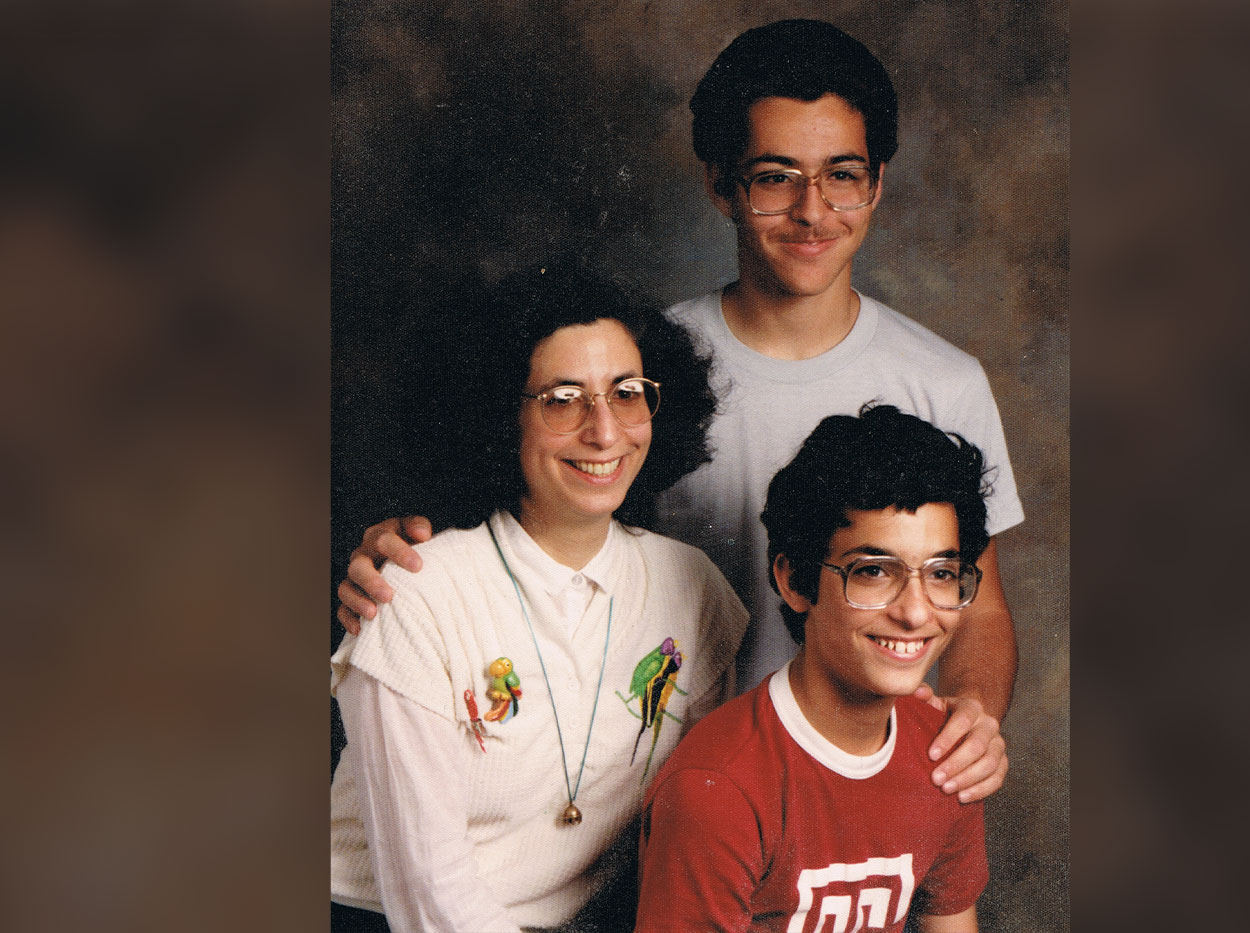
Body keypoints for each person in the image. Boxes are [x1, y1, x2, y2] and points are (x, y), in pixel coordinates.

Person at [337, 19, 1019, 803]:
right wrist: (402, 566)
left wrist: (973, 711)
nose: (812, 210)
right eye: (773, 177)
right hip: (649, 787)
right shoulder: (636, 375)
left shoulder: (946, 381)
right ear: (719, 183)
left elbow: (982, 609)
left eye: (841, 175)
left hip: (846, 792)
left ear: (877, 182)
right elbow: (515, 537)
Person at [329, 267, 748, 932]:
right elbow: (427, 892)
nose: (605, 432)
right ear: (501, 415)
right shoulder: (411, 591)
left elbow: (687, 828)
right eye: (562, 399)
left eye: (628, 394)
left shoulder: (695, 589)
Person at [636, 405, 990, 932]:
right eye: (873, 571)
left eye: (941, 573)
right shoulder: (717, 789)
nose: (916, 612)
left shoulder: (948, 757)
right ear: (796, 582)